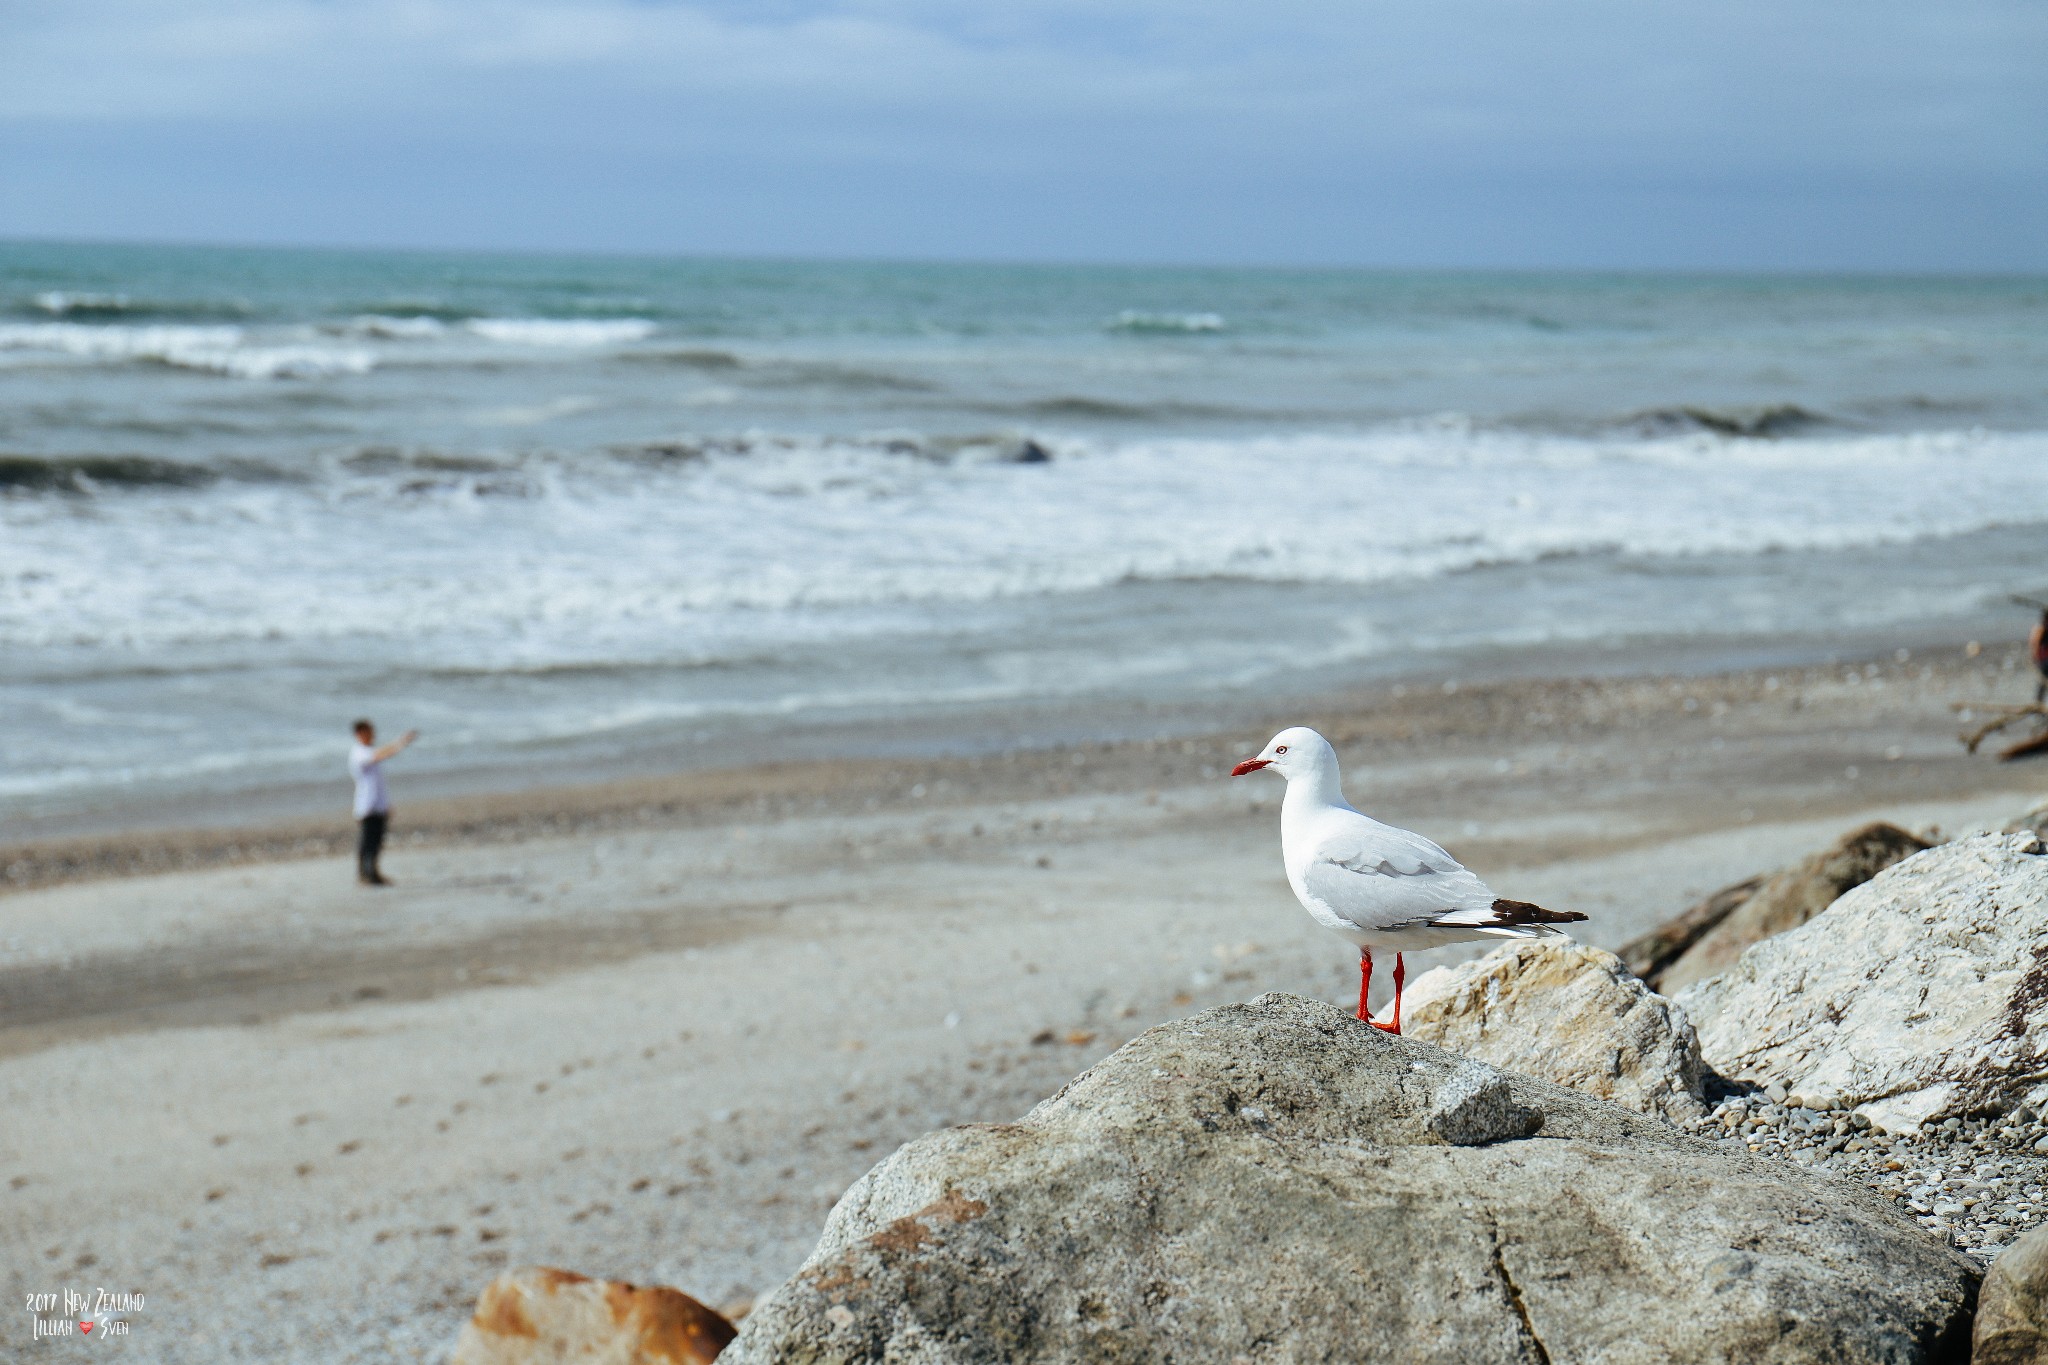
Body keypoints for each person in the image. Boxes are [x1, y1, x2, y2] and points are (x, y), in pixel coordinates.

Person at [348, 719, 417, 885]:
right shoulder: (359, 752)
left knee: (377, 841)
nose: (372, 734)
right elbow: (380, 754)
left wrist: (386, 805)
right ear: (360, 733)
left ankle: (373, 873)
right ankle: (365, 874)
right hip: (367, 805)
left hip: (377, 804)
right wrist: (401, 742)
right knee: (367, 842)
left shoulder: (368, 750)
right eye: (369, 731)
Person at [2033, 610, 2048, 703]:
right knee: (2043, 682)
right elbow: (2035, 643)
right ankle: (2038, 703)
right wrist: (2036, 657)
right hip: (2044, 659)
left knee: (2043, 682)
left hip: (2044, 659)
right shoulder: (2041, 628)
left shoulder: (2041, 627)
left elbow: (2034, 643)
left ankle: (2038, 702)